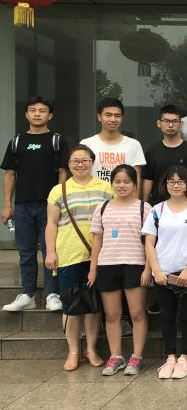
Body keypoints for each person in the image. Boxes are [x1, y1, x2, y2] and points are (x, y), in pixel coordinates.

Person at [44, 144, 112, 371]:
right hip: (69, 254)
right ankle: (73, 351)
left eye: (85, 160)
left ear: (92, 163)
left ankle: (91, 349)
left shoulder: (106, 188)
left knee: (93, 306)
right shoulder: (58, 190)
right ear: (69, 164)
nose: (80, 164)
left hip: (100, 255)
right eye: (75, 161)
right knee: (71, 307)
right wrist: (51, 251)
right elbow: (51, 223)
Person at [1, 96, 69, 313]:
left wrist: (60, 201)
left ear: (50, 115)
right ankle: (27, 294)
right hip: (22, 205)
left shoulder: (57, 140)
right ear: (26, 114)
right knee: (26, 251)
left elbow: (63, 172)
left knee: (51, 249)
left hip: (50, 205)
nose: (37, 114)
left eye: (42, 110)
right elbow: (10, 174)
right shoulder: (17, 141)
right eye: (33, 110)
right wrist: (7, 205)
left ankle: (52, 294)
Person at [143, 165, 187, 380]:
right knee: (167, 317)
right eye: (171, 181)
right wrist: (156, 270)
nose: (176, 185)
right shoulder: (157, 210)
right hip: (163, 273)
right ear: (165, 185)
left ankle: (184, 358)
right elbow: (149, 242)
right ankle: (170, 357)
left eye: (181, 181)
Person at [88, 165, 152, 376]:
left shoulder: (144, 208)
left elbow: (150, 242)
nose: (122, 185)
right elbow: (97, 240)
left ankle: (136, 356)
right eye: (117, 181)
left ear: (135, 184)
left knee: (137, 313)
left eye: (127, 181)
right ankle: (116, 356)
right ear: (112, 183)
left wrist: (148, 268)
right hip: (107, 265)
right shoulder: (103, 207)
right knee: (111, 314)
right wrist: (93, 268)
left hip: (135, 264)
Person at [143, 105, 187, 206]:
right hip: (158, 205)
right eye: (166, 121)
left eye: (174, 121)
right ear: (159, 123)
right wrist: (145, 205)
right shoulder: (152, 151)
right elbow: (148, 179)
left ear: (181, 124)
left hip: (186, 206)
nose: (170, 125)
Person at [81, 97, 146, 185]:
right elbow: (80, 177)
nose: (113, 119)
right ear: (99, 117)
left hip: (124, 194)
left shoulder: (134, 145)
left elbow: (136, 181)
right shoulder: (86, 144)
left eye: (117, 116)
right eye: (108, 115)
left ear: (122, 117)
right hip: (94, 193)